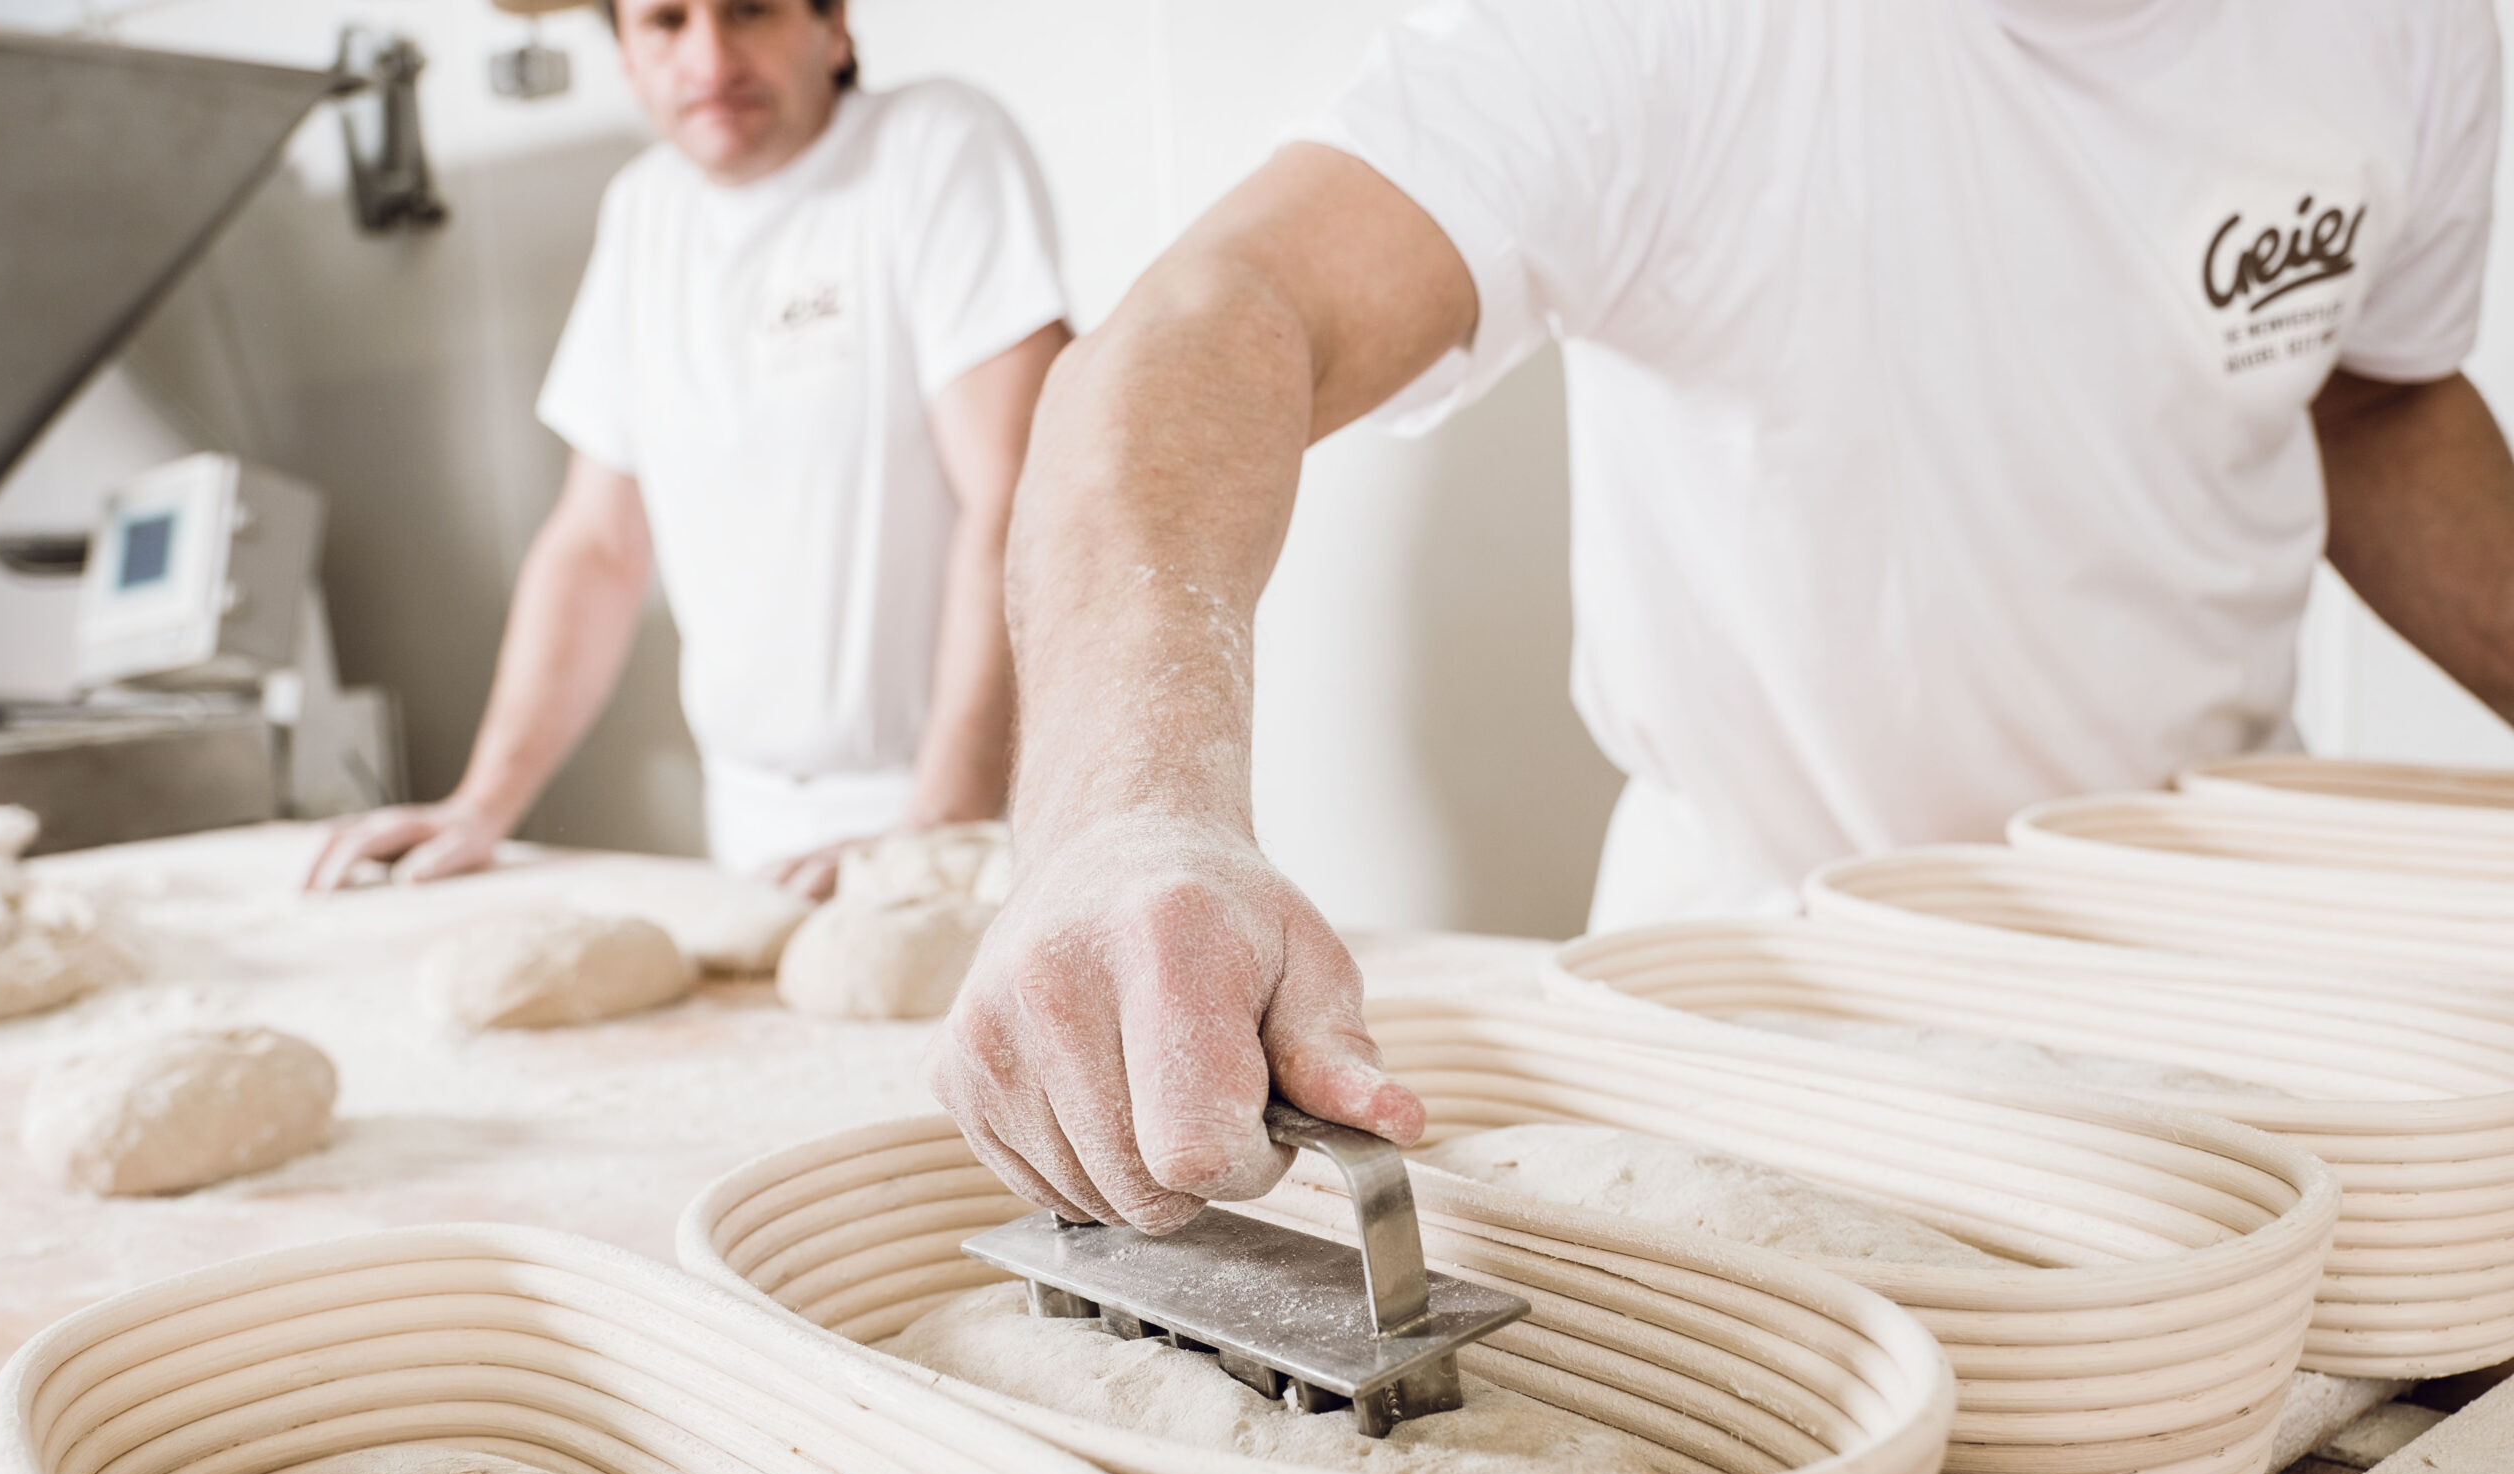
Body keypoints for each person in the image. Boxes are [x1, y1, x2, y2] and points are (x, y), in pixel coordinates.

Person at [929, 0, 2511, 1233]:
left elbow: (2374, 405)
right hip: (1763, 1021)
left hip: (2238, 1009)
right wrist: (1125, 807)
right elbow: (1212, 321)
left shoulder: (2412, 23)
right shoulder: (1670, 30)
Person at [309, 0, 1068, 897]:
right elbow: (597, 545)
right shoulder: (646, 211)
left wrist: (937, 832)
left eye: (749, 10)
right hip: (750, 828)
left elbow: (1023, 500)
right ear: (626, 58)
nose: (710, 58)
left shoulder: (933, 147)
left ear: (834, 27)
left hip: (970, 816)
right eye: (666, 22)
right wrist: (482, 802)